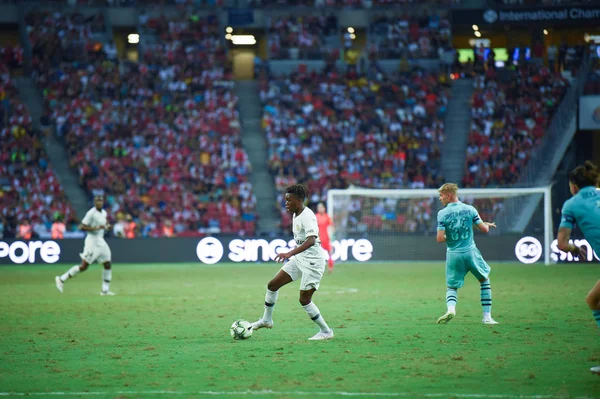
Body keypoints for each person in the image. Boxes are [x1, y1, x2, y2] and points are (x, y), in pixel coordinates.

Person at [251, 184, 334, 340]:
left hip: (313, 263)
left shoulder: (307, 216)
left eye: (289, 200)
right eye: (285, 200)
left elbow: (310, 240)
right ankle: (266, 320)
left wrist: (289, 253)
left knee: (304, 300)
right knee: (272, 285)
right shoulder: (296, 214)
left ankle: (326, 331)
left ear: (299, 200)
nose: (286, 204)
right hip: (300, 258)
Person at [555, 161, 600, 375]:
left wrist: (573, 248)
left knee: (594, 300)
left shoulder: (571, 204)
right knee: (594, 299)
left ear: (573, 186)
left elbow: (562, 244)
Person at [435, 183, 498, 325]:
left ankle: (451, 309)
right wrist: (486, 224)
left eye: (441, 195)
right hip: (470, 252)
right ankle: (487, 317)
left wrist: (450, 237)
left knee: (452, 287)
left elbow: (439, 239)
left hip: (453, 255)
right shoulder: (470, 209)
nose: (440, 198)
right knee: (484, 280)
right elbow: (484, 230)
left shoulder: (442, 214)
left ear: (449, 195)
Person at [55, 195, 115, 296]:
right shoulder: (91, 213)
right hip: (92, 242)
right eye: (97, 201)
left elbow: (105, 224)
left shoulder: (104, 212)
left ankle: (105, 290)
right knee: (84, 266)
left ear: (103, 202)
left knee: (107, 264)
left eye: (100, 201)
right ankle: (61, 279)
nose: (99, 203)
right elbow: (82, 226)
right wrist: (96, 228)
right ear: (94, 202)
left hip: (101, 241)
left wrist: (107, 226)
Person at [315, 202, 334, 272]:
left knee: (329, 253)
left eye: (321, 207)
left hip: (326, 238)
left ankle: (330, 266)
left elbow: (331, 226)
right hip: (318, 238)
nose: (320, 209)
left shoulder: (327, 217)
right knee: (317, 253)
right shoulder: (315, 216)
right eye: (319, 208)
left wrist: (332, 235)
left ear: (324, 208)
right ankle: (317, 267)